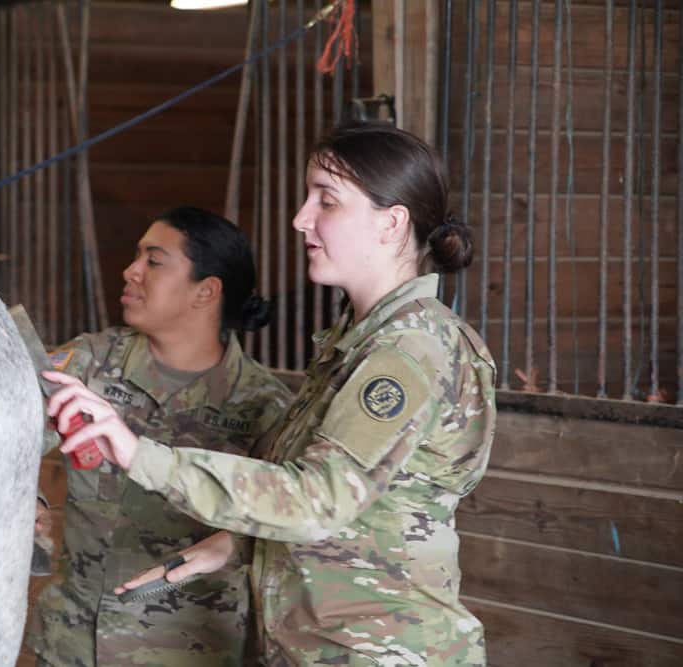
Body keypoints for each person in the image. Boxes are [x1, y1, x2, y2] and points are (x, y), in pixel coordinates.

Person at [46, 123, 497, 666]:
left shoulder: (408, 351)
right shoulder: (354, 344)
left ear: (391, 222)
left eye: (326, 202)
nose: (301, 219)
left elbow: (321, 498)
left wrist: (139, 454)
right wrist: (235, 545)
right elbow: (367, 513)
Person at [26, 206, 293, 666]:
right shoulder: (91, 362)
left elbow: (283, 528)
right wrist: (33, 502)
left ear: (205, 291)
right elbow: (7, 434)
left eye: (154, 260)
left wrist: (238, 543)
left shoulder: (262, 407)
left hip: (190, 651)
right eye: (137, 256)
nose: (130, 272)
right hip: (70, 644)